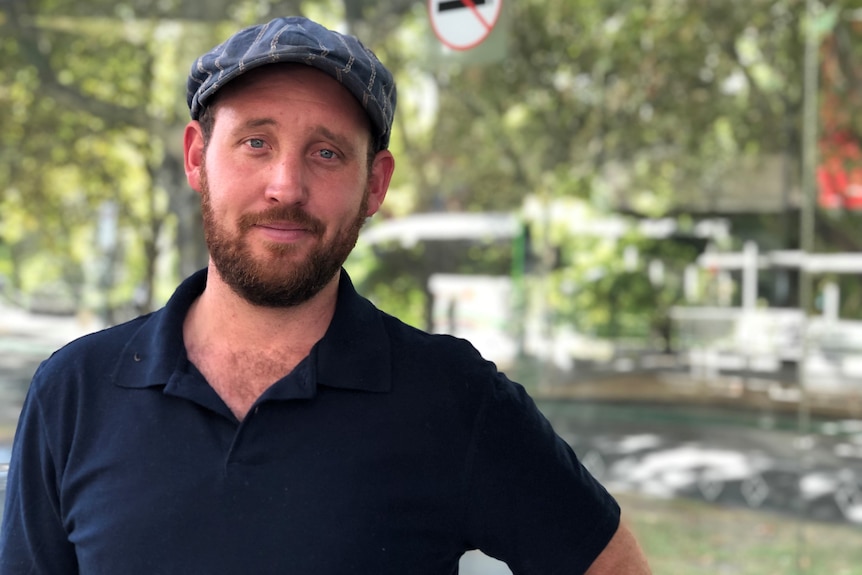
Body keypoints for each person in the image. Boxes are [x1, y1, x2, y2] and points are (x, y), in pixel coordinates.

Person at [0, 16, 650, 575]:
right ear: (197, 157)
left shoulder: (454, 399)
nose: (286, 185)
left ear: (375, 185)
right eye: (256, 142)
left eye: (327, 153)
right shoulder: (74, 393)